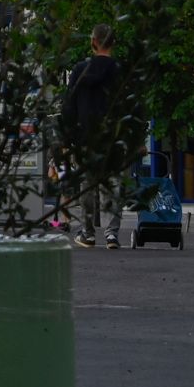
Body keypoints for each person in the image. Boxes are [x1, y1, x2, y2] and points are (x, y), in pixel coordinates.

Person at [59, 25, 121, 246]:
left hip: (85, 137)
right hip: (112, 138)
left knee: (87, 185)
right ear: (112, 43)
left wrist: (66, 140)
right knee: (112, 184)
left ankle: (88, 232)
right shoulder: (119, 71)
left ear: (93, 42)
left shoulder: (80, 70)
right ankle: (112, 233)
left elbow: (69, 106)